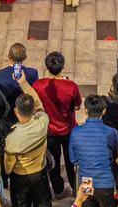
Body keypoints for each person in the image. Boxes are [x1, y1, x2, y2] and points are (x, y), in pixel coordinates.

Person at [32, 50, 81, 196]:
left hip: (48, 130)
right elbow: (77, 105)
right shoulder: (71, 86)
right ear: (63, 67)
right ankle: (74, 186)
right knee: (71, 160)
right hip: (68, 129)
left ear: (47, 67)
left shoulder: (38, 85)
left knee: (53, 161)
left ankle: (58, 187)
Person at [4, 76, 51, 207]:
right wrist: (23, 83)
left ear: (16, 111)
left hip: (20, 178)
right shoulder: (42, 121)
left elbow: (8, 164)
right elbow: (39, 103)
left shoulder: (11, 137)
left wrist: (7, 172)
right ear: (34, 110)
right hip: (40, 174)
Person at [68, 95, 118, 207]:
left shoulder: (75, 132)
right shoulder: (111, 132)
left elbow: (73, 159)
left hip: (86, 184)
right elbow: (116, 153)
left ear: (86, 111)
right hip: (106, 183)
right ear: (104, 111)